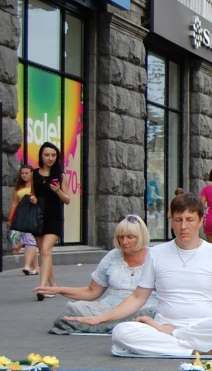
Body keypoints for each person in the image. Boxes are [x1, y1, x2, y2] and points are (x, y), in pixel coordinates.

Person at [65, 194, 212, 357]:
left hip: (203, 326)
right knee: (122, 332)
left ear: (201, 221)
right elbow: (137, 298)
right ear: (171, 221)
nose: (183, 227)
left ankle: (177, 340)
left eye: (190, 220)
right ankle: (200, 350)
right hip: (166, 323)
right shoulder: (156, 253)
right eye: (178, 220)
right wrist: (101, 318)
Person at [39, 215, 157, 334]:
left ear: (141, 237)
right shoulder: (112, 256)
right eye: (121, 237)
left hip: (143, 306)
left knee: (149, 314)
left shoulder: (155, 257)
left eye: (130, 237)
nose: (124, 242)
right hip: (109, 307)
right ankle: (113, 323)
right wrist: (59, 290)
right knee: (76, 309)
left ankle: (110, 323)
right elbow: (92, 292)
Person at [30, 142, 71, 300]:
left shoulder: (61, 176)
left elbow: (67, 200)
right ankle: (53, 286)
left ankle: (43, 288)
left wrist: (58, 191)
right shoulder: (35, 174)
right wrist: (32, 198)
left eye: (53, 155)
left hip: (54, 217)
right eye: (47, 155)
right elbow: (32, 193)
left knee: (46, 251)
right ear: (41, 156)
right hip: (38, 217)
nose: (50, 158)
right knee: (44, 253)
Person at [9, 164, 40, 276]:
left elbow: (41, 199)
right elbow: (14, 202)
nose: (24, 175)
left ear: (32, 173)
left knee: (29, 240)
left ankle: (27, 265)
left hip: (32, 215)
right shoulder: (19, 186)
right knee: (29, 240)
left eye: (27, 173)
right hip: (22, 215)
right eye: (22, 173)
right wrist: (11, 217)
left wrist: (35, 199)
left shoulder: (36, 184)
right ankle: (35, 268)